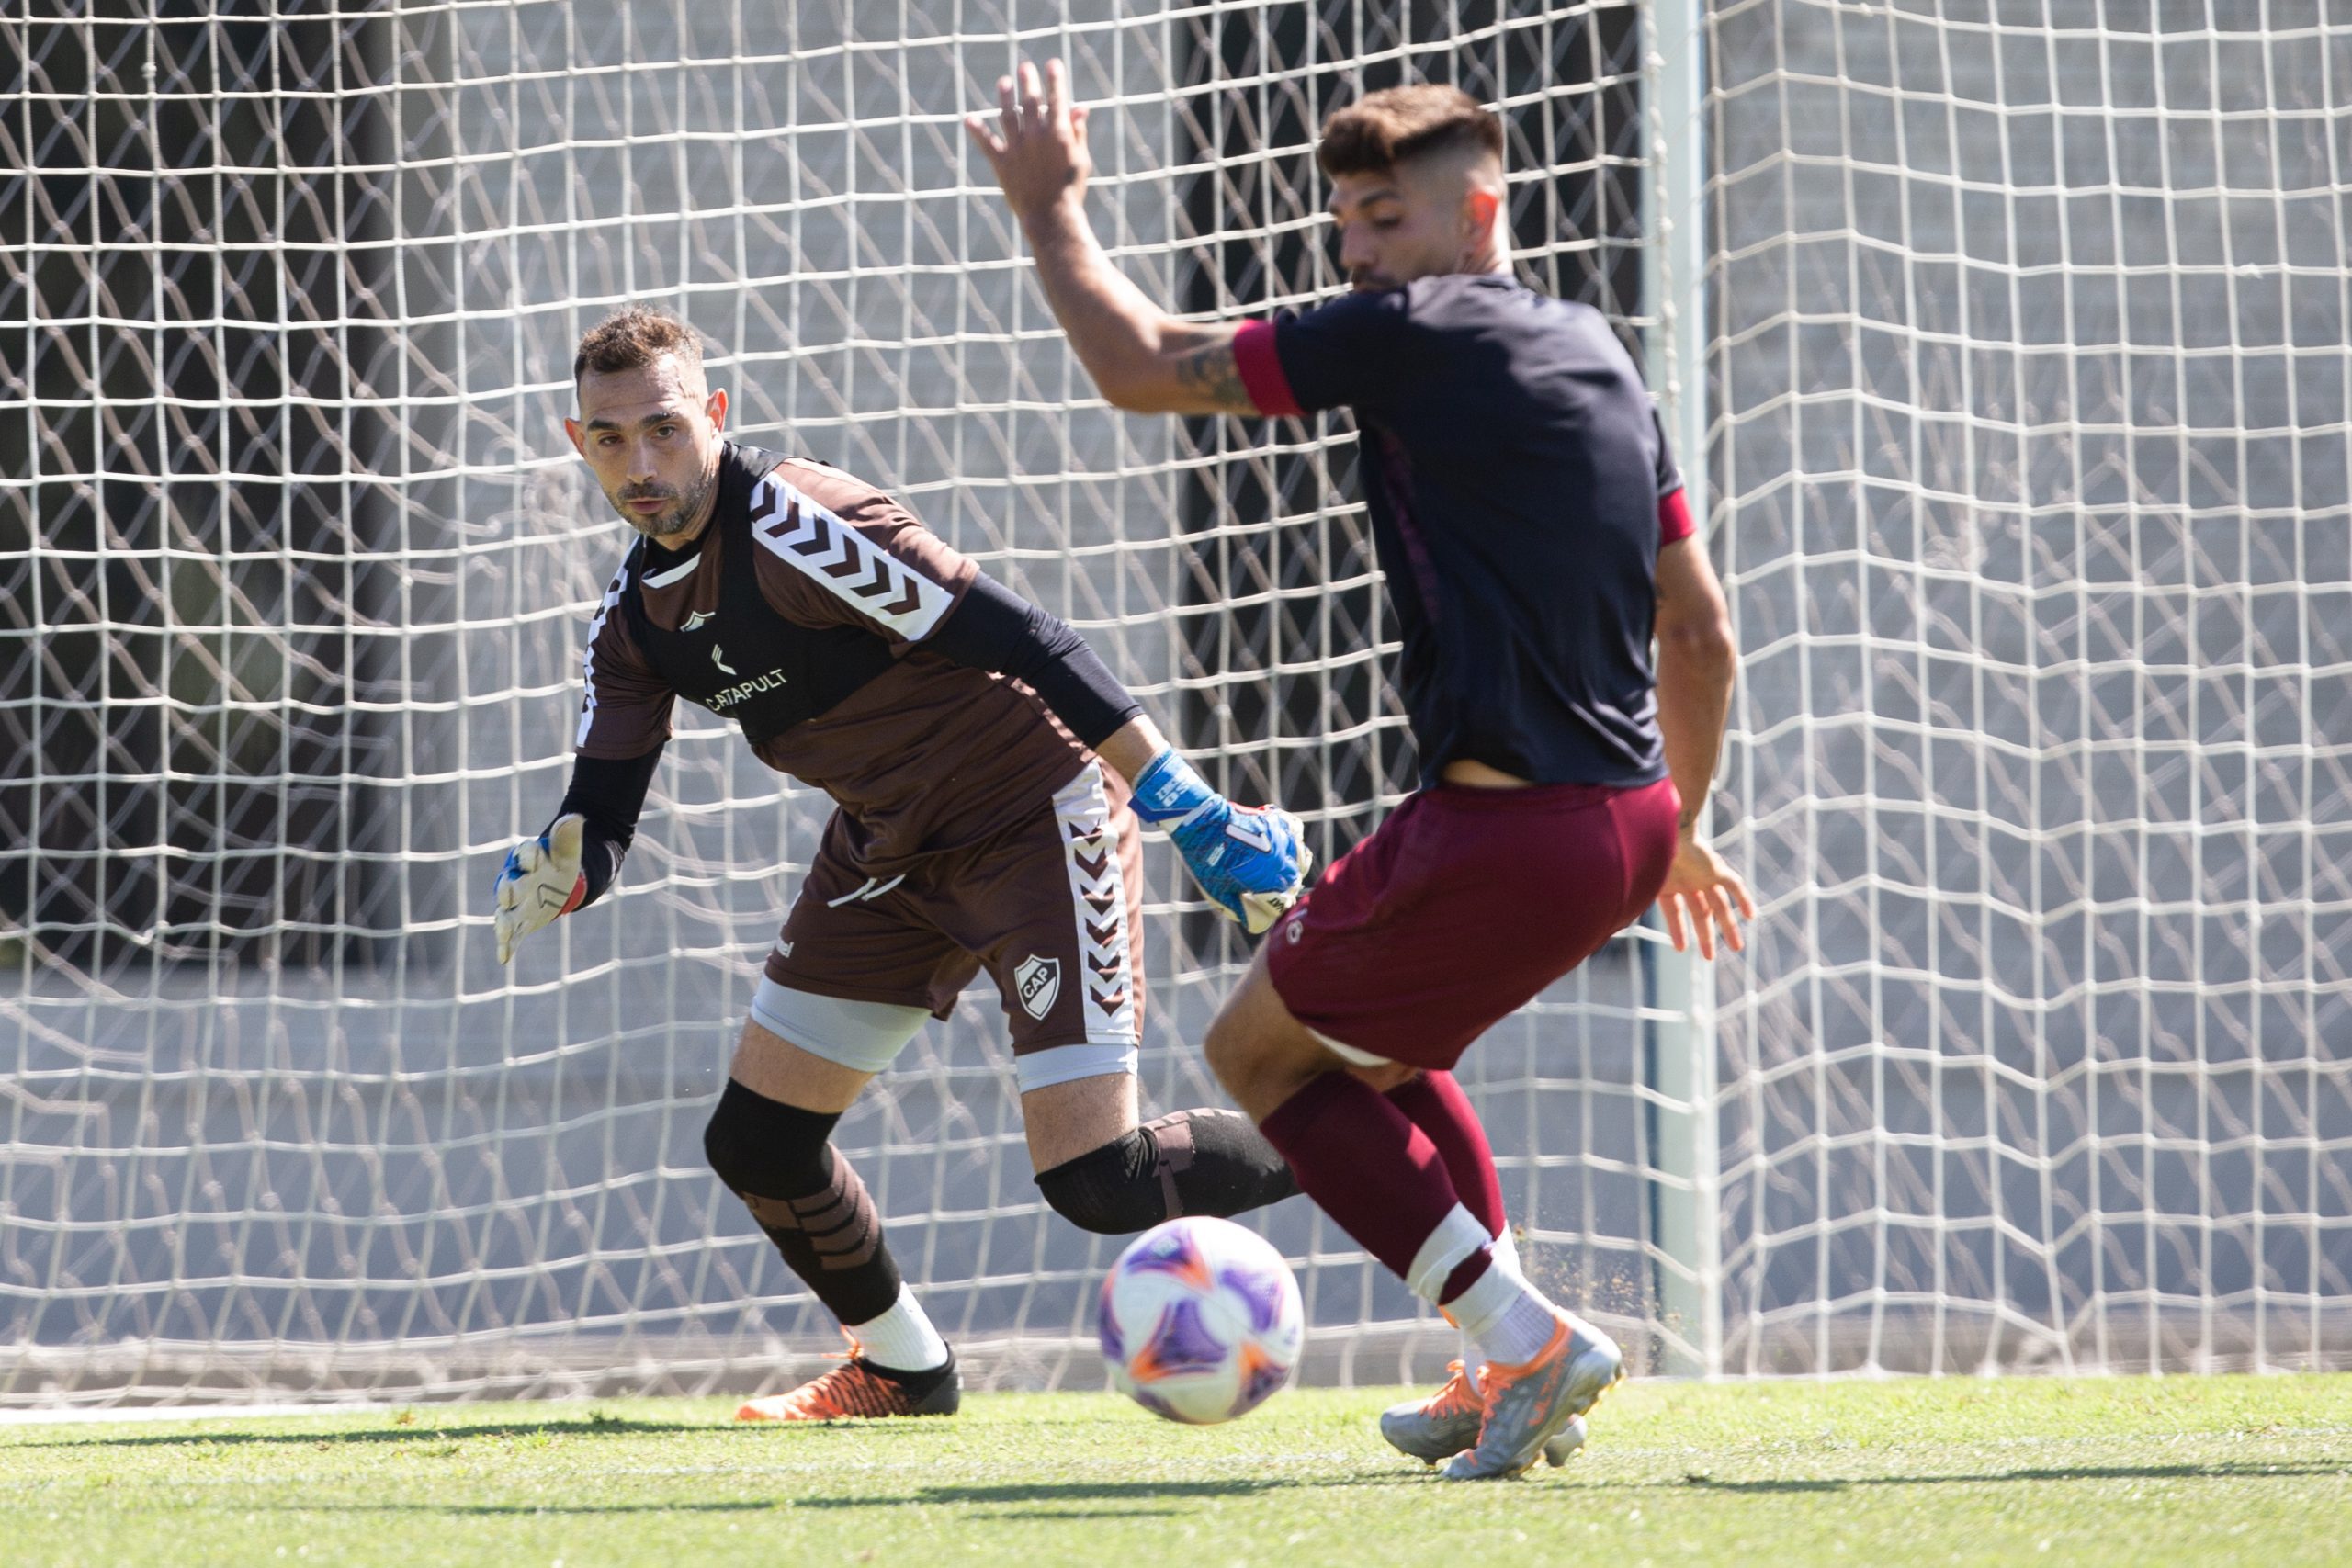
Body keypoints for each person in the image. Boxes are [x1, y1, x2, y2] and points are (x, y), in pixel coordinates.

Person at [970, 66, 1751, 1478]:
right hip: (1626, 817)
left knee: (1255, 1053)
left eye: (1385, 217)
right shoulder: (1602, 350)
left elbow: (1139, 364)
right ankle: (1497, 1361)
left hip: (1506, 823)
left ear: (1480, 210)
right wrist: (1678, 824)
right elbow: (1698, 631)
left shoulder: (1410, 334)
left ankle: (1524, 1336)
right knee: (1382, 1048)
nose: (1358, 253)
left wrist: (1051, 209)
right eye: (1343, 223)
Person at [492, 307, 1310, 1422]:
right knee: (758, 1141)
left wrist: (1182, 800)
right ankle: (903, 1370)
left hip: (1033, 812)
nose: (641, 463)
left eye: (666, 429)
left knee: (1100, 1181)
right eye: (609, 438)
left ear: (715, 418)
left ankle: (1363, 1134)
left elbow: (1026, 639)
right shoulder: (631, 626)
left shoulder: (797, 522)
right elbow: (606, 805)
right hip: (885, 848)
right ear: (577, 439)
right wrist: (565, 867)